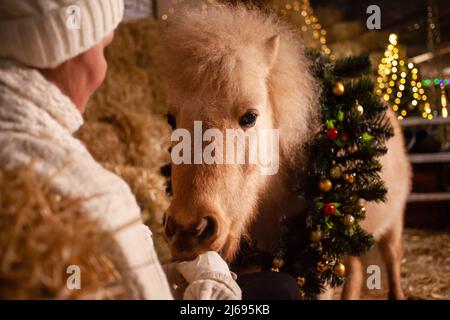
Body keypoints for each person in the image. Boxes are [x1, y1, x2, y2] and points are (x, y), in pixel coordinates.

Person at [0, 0, 240, 300]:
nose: (103, 68)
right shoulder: (93, 197)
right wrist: (214, 281)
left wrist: (159, 271)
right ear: (65, 51)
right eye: (102, 49)